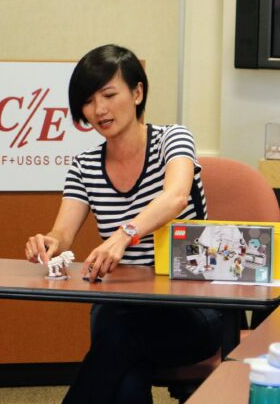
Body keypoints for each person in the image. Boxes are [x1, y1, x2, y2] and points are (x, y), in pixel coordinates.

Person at [24, 44, 223, 404]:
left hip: (190, 306)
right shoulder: (84, 166)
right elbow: (63, 233)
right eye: (87, 100)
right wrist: (48, 242)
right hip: (123, 302)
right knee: (126, 378)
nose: (98, 110)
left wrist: (124, 234)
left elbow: (176, 195)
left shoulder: (173, 140)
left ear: (137, 92)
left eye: (108, 94)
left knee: (119, 337)